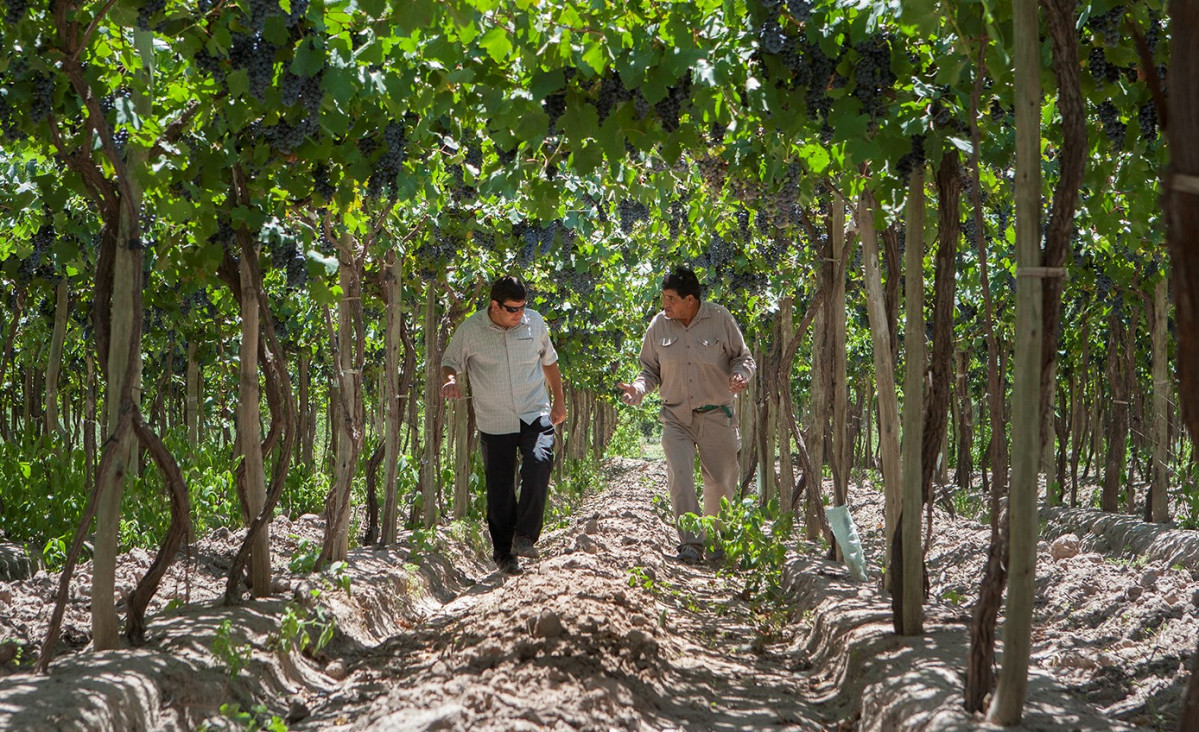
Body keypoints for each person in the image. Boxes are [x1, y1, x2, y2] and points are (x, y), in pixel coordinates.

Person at [618, 266, 755, 562]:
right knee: (680, 478)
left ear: (690, 299)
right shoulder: (658, 326)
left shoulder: (720, 319)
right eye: (664, 298)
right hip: (676, 417)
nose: (664, 305)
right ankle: (691, 544)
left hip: (716, 414)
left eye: (670, 299)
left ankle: (717, 541)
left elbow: (743, 358)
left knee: (720, 481)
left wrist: (740, 375)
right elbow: (649, 370)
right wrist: (639, 389)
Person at [441, 276, 567, 575]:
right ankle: (503, 553)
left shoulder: (534, 323)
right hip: (494, 418)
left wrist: (559, 402)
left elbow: (550, 362)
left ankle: (524, 536)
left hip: (534, 411)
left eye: (523, 307)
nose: (520, 314)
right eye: (513, 309)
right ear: (494, 306)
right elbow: (450, 361)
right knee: (499, 490)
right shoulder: (471, 329)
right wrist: (450, 380)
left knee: (540, 461)